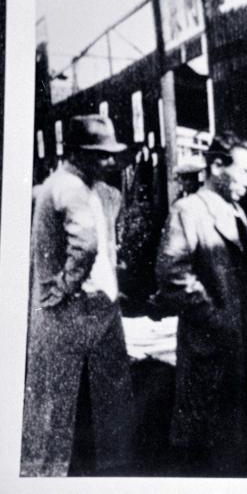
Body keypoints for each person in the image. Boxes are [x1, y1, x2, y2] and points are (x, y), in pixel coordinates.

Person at [22, 114, 134, 476]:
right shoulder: (70, 187)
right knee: (62, 407)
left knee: (63, 408)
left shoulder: (76, 187)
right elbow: (85, 245)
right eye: (101, 155)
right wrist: (65, 285)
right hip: (75, 314)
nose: (110, 162)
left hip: (74, 314)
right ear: (78, 153)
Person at [155, 133, 247, 475]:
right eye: (243, 172)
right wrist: (218, 319)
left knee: (233, 449)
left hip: (237, 354)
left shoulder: (237, 211)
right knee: (205, 458)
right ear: (216, 166)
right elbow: (172, 276)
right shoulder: (189, 210)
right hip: (208, 354)